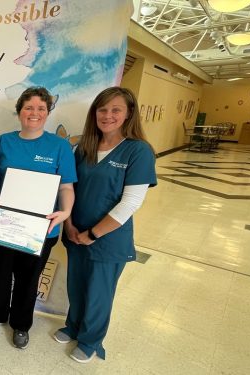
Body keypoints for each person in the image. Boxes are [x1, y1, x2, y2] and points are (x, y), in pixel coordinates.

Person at [55, 87, 157, 363]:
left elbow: (131, 202)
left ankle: (90, 341)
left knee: (99, 293)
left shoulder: (138, 151)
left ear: (129, 114)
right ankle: (73, 326)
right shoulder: (84, 148)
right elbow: (69, 189)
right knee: (76, 286)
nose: (108, 115)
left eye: (116, 110)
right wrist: (70, 225)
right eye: (102, 110)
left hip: (108, 238)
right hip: (76, 232)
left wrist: (94, 233)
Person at [0, 87, 76, 349]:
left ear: (48, 112)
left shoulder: (60, 146)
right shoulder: (3, 141)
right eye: (29, 108)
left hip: (41, 229)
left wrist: (65, 212)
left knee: (28, 281)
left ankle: (21, 325)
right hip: (3, 225)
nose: (35, 113)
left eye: (41, 108)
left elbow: (66, 187)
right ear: (20, 111)